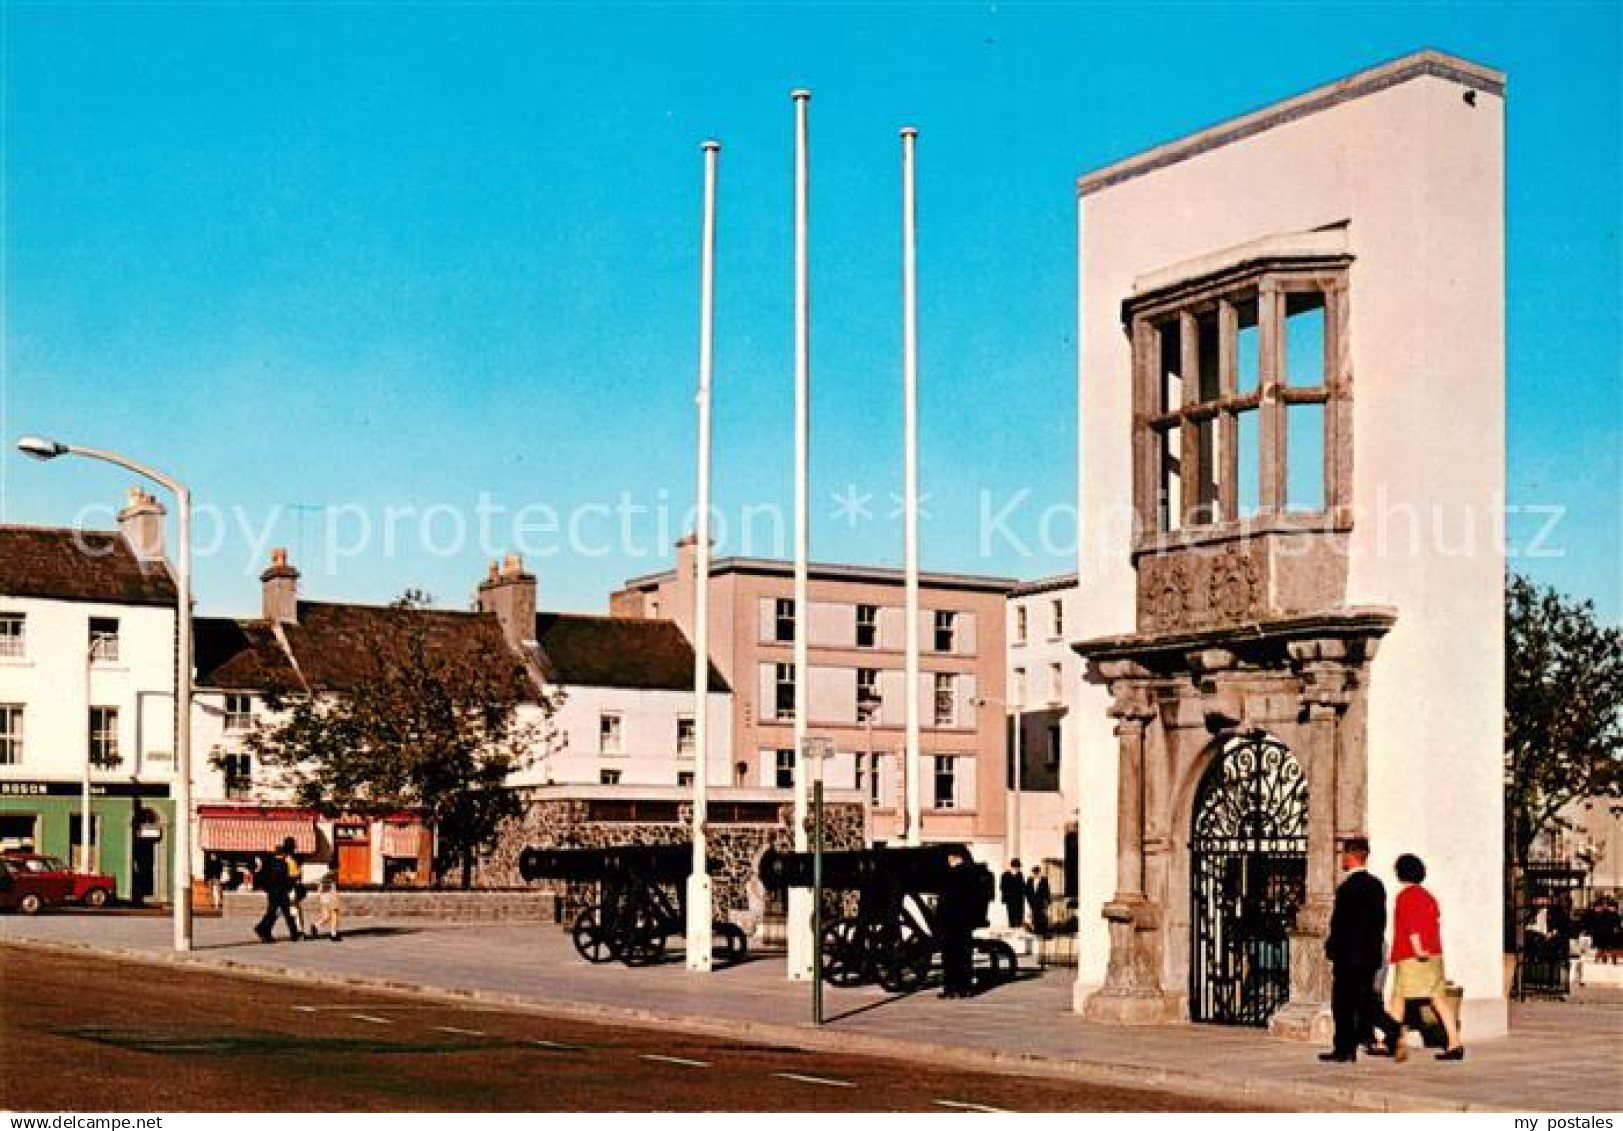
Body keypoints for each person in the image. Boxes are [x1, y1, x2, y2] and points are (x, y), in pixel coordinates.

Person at [1321, 836, 1401, 1063]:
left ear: (1350, 855)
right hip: (1369, 956)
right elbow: (1379, 922)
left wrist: (1333, 947)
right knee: (1364, 1003)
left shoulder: (1347, 888)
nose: (1342, 859)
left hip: (1348, 957)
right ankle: (1389, 1030)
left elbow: (1341, 924)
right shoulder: (1376, 886)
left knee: (1343, 1004)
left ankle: (1345, 1048)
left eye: (1343, 855)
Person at [1387, 853, 1464, 1061]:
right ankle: (1455, 1041)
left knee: (1399, 996)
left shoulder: (1405, 897)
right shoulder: (1429, 897)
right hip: (1435, 954)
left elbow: (1412, 926)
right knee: (1438, 997)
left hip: (1412, 955)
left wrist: (1418, 948)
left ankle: (1390, 1041)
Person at [936, 847, 987, 999]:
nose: (947, 860)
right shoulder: (973, 875)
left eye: (949, 857)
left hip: (950, 921)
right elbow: (976, 899)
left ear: (954, 857)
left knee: (950, 956)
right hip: (964, 921)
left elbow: (944, 901)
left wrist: (939, 918)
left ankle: (950, 988)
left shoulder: (950, 875)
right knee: (964, 955)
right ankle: (964, 988)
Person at [254, 838, 302, 943]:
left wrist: (267, 889)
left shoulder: (269, 863)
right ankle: (293, 934)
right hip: (282, 892)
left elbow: (263, 877)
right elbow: (288, 879)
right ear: (283, 854)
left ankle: (263, 930)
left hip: (272, 892)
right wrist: (291, 886)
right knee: (285, 913)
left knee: (273, 913)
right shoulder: (284, 864)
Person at [309, 874, 342, 941]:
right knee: (334, 916)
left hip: (323, 899)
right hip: (331, 898)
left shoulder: (325, 877)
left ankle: (315, 925)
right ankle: (333, 934)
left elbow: (319, 889)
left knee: (326, 917)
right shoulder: (333, 876)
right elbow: (332, 889)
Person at [999, 859, 1026, 931]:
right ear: (1012, 866)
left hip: (1019, 899)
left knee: (1019, 916)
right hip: (1010, 899)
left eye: (1018, 867)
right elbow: (1002, 887)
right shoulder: (1005, 875)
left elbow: (1023, 887)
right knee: (1011, 915)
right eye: (1016, 867)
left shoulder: (1020, 874)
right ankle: (1012, 929)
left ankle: (1018, 930)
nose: (1017, 869)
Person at [1026, 865, 1051, 936]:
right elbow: (1027, 892)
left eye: (1037, 873)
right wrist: (1029, 901)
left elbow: (1047, 892)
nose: (1035, 874)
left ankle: (1042, 932)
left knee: (1042, 918)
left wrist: (1048, 904)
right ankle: (1036, 932)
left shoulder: (1044, 880)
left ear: (1039, 873)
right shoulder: (1029, 880)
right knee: (1034, 917)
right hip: (1032, 903)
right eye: (1034, 873)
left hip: (1041, 903)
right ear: (1032, 873)